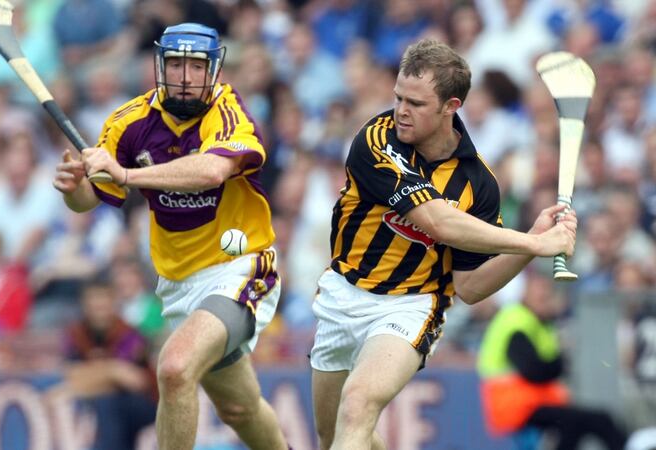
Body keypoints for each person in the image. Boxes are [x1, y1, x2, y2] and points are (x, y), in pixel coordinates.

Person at [309, 39, 577, 449]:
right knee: (333, 436)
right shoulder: (377, 140)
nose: (400, 110)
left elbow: (469, 287)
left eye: (415, 103)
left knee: (357, 404)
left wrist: (529, 246)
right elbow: (437, 220)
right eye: (399, 97)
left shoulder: (479, 184)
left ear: (451, 106)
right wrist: (530, 242)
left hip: (411, 306)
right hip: (343, 293)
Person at [52, 23, 288, 449]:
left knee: (175, 368)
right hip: (179, 282)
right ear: (160, 65)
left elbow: (212, 170)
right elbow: (94, 197)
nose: (184, 76)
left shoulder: (230, 113)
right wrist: (75, 190)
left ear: (214, 70)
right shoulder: (128, 123)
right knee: (239, 409)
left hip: (239, 266)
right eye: (175, 63)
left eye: (195, 65)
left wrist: (127, 174)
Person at [477, 270, 628, 450]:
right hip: (516, 405)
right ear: (524, 294)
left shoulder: (537, 321)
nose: (546, 298)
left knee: (589, 423)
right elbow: (533, 369)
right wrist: (559, 364)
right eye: (541, 294)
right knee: (587, 422)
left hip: (528, 403)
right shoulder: (516, 320)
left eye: (548, 294)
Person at [61, 280, 157, 450]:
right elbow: (72, 377)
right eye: (95, 306)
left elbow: (136, 381)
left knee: (108, 404)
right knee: (105, 406)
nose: (100, 311)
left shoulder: (128, 334)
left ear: (113, 304)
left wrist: (97, 373)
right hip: (106, 406)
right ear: (85, 306)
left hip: (144, 404)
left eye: (104, 305)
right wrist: (112, 371)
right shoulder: (77, 334)